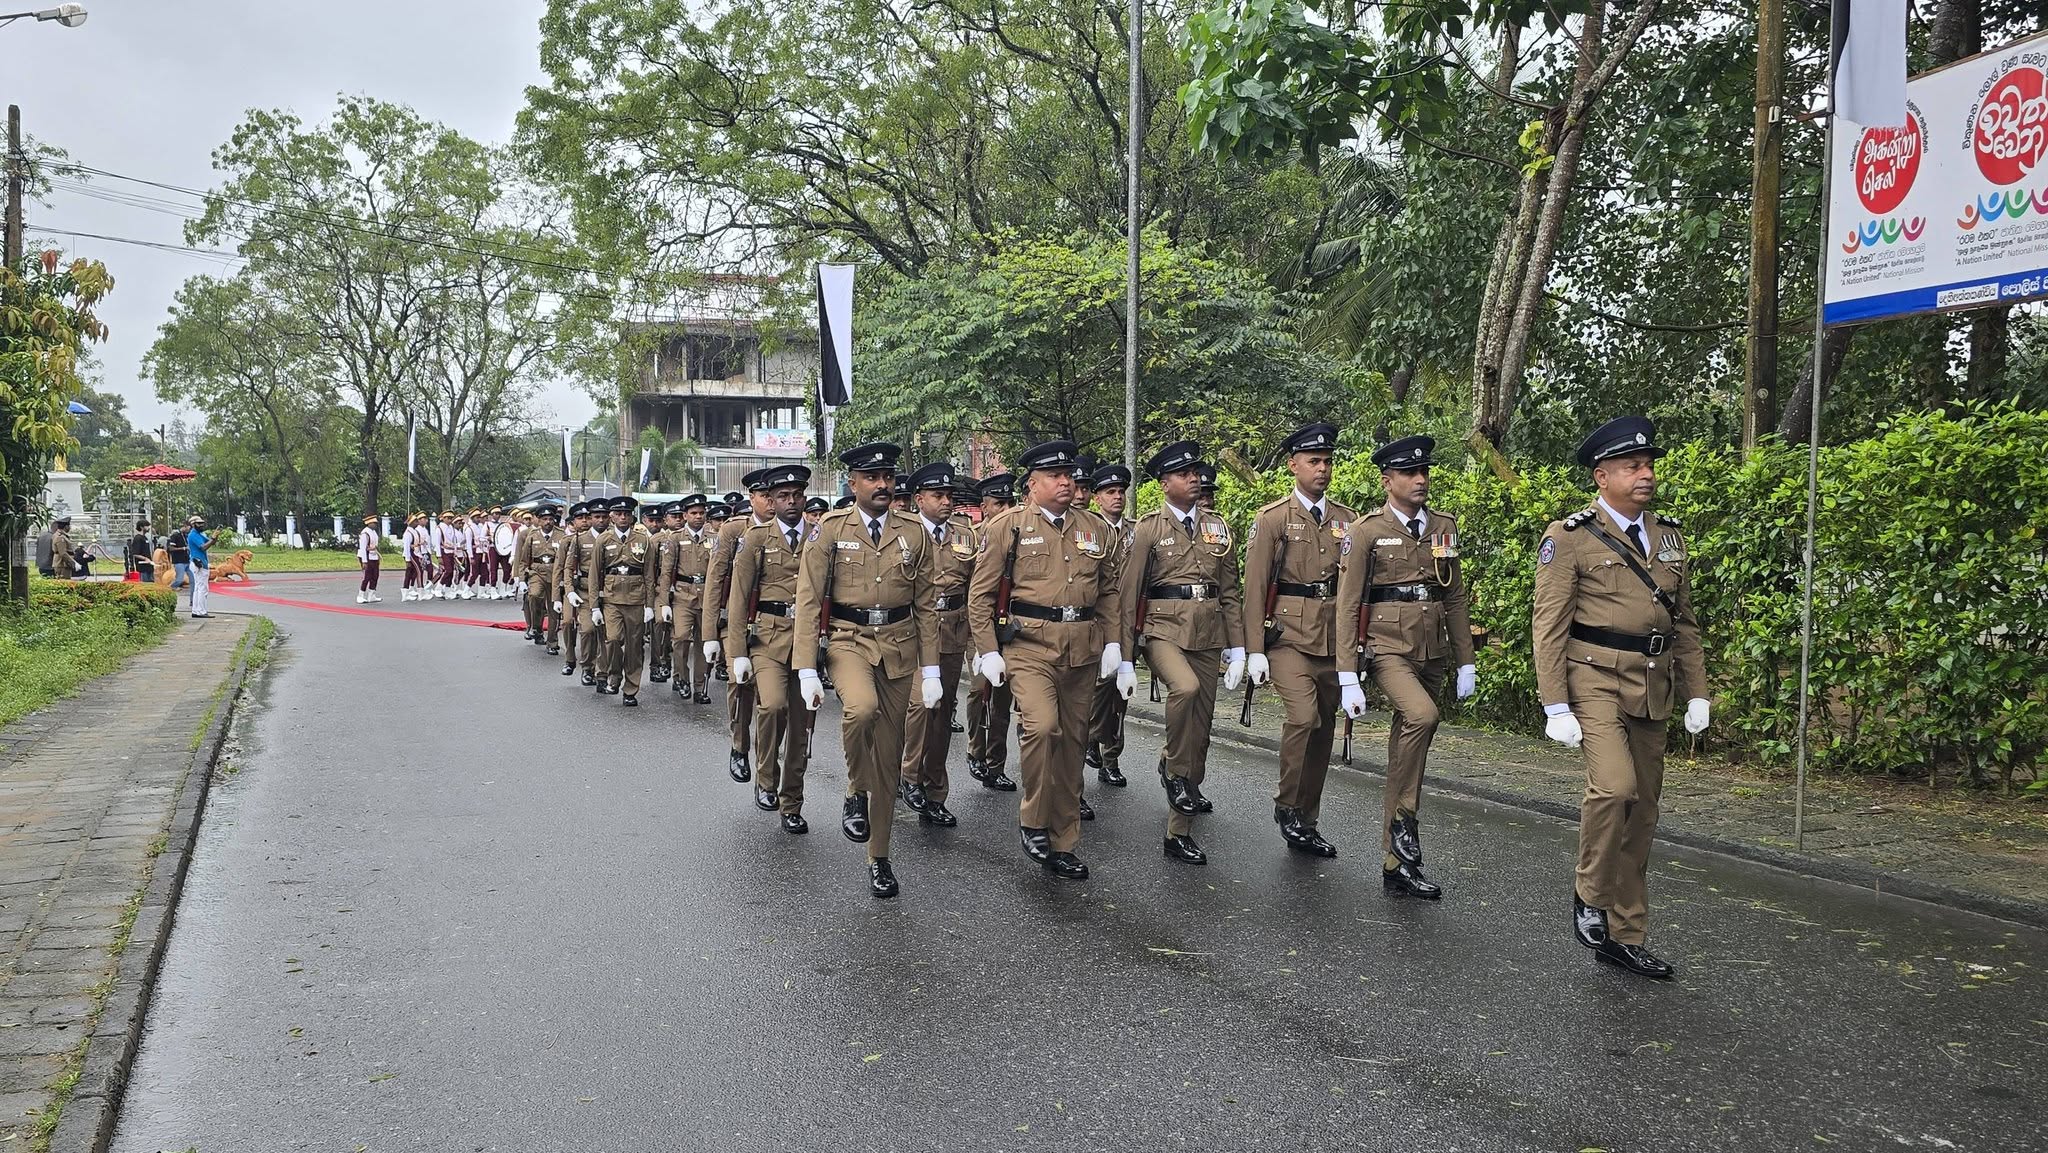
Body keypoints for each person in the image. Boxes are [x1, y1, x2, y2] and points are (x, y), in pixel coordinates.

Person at [1533, 416, 1708, 980]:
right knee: (1615, 786)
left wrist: (1697, 692)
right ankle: (1588, 891)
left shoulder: (1669, 536)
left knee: (1643, 814)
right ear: (1601, 475)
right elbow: (1549, 626)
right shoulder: (1570, 538)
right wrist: (1554, 703)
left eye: (1649, 464)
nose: (1646, 474)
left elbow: (1685, 623)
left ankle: (1625, 933)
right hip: (1594, 677)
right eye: (1633, 466)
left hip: (1652, 681)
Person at [968, 441, 1128, 880]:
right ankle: (1033, 820)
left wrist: (1116, 644)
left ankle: (1063, 840)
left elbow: (1110, 591)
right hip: (1029, 646)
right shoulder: (1008, 527)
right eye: (1054, 476)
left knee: (1074, 743)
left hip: (1082, 648)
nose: (1065, 482)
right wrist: (987, 650)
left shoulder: (1096, 529)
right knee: (1042, 727)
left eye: (1069, 475)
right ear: (1033, 484)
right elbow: (980, 595)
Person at [792, 442, 942, 899]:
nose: (882, 485)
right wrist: (805, 670)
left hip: (899, 645)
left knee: (890, 759)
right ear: (852, 484)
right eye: (872, 478)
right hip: (848, 641)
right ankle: (854, 789)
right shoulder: (830, 531)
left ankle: (879, 856)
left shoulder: (914, 532)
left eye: (888, 478)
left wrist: (931, 669)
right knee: (861, 708)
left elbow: (926, 607)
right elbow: (807, 599)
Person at [1333, 435, 1476, 898]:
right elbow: (1348, 604)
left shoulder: (1443, 527)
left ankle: (1396, 862)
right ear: (1387, 480)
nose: (1420, 479)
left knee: (1408, 748)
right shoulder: (1365, 531)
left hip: (1431, 647)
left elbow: (1453, 597)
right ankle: (1404, 822)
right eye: (1410, 473)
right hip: (1387, 646)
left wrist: (1465, 661)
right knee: (1421, 716)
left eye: (1424, 472)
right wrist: (1346, 674)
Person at [1120, 441, 1245, 865]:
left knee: (1201, 732)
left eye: (1196, 471)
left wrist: (1241, 648)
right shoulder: (1149, 529)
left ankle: (1179, 830)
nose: (1194, 478)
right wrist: (1123, 655)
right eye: (1184, 473)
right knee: (1185, 690)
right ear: (1164, 483)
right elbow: (1128, 594)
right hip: (1162, 632)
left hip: (1208, 634)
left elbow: (1230, 592)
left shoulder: (1218, 527)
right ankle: (1174, 767)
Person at [1243, 422, 1354, 858]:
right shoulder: (1272, 519)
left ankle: (1307, 820)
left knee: (1324, 731)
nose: (1322, 469)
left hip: (1332, 639)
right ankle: (1287, 803)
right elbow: (1254, 589)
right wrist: (1253, 650)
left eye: (1327, 461)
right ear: (1293, 466)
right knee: (1305, 718)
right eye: (1314, 461)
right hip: (1287, 637)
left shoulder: (1347, 520)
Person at [726, 465, 818, 831]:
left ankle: (791, 801)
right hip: (767, 638)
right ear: (772, 500)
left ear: (805, 498)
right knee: (773, 705)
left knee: (801, 724)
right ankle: (766, 777)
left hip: (808, 640)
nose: (791, 501)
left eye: (797, 495)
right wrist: (737, 654)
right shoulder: (756, 539)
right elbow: (737, 599)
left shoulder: (819, 536)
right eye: (782, 496)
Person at [897, 461, 974, 829]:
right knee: (919, 705)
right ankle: (908, 775)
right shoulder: (905, 534)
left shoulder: (965, 533)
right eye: (938, 495)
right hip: (914, 632)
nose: (946, 501)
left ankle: (934, 790)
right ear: (919, 499)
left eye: (949, 495)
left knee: (943, 714)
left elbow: (977, 589)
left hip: (954, 631)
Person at [705, 471, 776, 780]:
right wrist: (710, 634)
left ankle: (766, 760)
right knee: (739, 683)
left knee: (771, 697)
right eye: (765, 497)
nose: (772, 503)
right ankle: (739, 745)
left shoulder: (790, 532)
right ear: (752, 498)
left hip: (770, 625)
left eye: (776, 497)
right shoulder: (735, 531)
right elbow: (714, 580)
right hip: (734, 621)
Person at [965, 472, 1019, 791]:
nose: (1005, 509)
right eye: (998, 504)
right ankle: (976, 749)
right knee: (977, 689)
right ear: (985, 507)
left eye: (1009, 503)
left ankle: (995, 763)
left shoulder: (1019, 535)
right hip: (978, 626)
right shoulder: (972, 538)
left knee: (1001, 697)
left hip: (1009, 626)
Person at [1084, 463, 1136, 786]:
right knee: (1098, 685)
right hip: (1095, 621)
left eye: (1121, 492)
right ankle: (1090, 736)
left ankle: (1111, 758)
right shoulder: (1088, 530)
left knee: (1122, 693)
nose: (1117, 497)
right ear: (1097, 498)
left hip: (1128, 621)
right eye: (1110, 492)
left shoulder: (1137, 531)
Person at [588, 496, 655, 704]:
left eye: (626, 514)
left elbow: (649, 575)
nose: (623, 517)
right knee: (614, 639)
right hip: (611, 599)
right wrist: (594, 607)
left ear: (632, 516)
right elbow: (594, 574)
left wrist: (650, 605)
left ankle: (630, 689)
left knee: (635, 647)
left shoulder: (643, 540)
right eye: (618, 514)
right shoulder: (603, 540)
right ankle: (614, 675)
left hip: (636, 600)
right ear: (612, 517)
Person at [659, 494, 715, 702]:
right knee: (681, 638)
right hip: (683, 595)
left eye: (701, 513)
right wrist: (664, 602)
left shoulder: (714, 538)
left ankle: (700, 687)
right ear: (685, 515)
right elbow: (666, 571)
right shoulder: (674, 538)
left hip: (707, 596)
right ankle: (682, 678)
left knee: (704, 642)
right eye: (693, 513)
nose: (698, 517)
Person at [517, 504, 565, 652]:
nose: (548, 522)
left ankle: (552, 642)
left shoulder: (562, 536)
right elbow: (524, 560)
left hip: (556, 574)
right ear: (538, 520)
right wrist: (521, 579)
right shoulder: (532, 536)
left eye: (551, 519)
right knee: (534, 595)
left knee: (554, 609)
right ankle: (536, 627)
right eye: (544, 519)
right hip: (537, 572)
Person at [186, 515, 219, 617]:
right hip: (198, 563)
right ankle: (201, 611)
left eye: (202, 523)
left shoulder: (199, 534)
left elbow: (210, 542)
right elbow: (203, 547)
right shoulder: (193, 535)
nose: (201, 525)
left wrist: (215, 536)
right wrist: (213, 538)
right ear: (193, 524)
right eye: (198, 523)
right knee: (202, 588)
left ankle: (196, 610)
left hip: (199, 562)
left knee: (198, 588)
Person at [354, 515, 383, 603]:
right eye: (374, 523)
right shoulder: (365, 533)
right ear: (369, 523)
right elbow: (363, 548)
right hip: (366, 556)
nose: (375, 524)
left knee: (375, 576)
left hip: (374, 556)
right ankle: (361, 595)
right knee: (367, 577)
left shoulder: (373, 532)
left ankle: (372, 594)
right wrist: (364, 561)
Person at [165, 523, 192, 595]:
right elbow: (171, 548)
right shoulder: (175, 536)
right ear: (184, 527)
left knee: (192, 578)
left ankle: (194, 591)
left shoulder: (186, 536)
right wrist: (183, 548)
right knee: (179, 579)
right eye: (188, 529)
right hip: (179, 561)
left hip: (187, 560)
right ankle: (170, 587)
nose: (188, 530)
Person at [128, 519, 155, 583]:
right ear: (141, 527)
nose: (148, 528)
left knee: (151, 583)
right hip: (142, 567)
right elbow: (135, 553)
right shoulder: (138, 538)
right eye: (147, 526)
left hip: (149, 566)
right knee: (145, 584)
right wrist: (145, 558)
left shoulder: (145, 537)